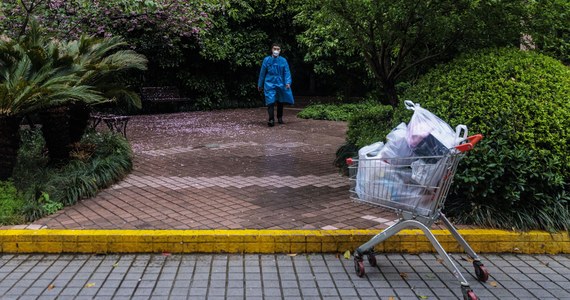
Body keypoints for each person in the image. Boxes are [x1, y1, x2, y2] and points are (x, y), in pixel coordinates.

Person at [257, 43, 294, 127]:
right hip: (269, 82)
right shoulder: (266, 60)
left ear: (280, 50)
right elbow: (262, 73)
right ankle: (271, 119)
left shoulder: (283, 60)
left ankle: (280, 118)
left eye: (278, 49)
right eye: (275, 49)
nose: (276, 51)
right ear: (272, 49)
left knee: (280, 101)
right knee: (270, 101)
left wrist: (288, 82)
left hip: (280, 82)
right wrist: (260, 85)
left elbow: (287, 72)